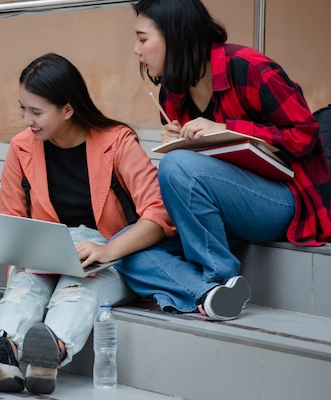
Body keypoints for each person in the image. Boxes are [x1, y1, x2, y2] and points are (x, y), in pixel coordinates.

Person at [0, 52, 177, 395]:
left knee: (78, 291)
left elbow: (158, 213)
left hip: (113, 252)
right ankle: (6, 353)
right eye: (22, 108)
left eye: (36, 111)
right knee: (22, 290)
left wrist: (107, 250)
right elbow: (12, 220)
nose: (26, 119)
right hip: (47, 253)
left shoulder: (118, 141)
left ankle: (51, 352)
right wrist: (23, 259)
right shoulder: (21, 148)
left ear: (68, 108)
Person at [124, 0, 331, 319]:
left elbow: (305, 134)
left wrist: (226, 129)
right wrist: (176, 142)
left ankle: (218, 277)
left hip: (282, 200)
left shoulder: (248, 67)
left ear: (176, 36)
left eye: (142, 38)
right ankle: (210, 295)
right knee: (125, 252)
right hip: (218, 209)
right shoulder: (173, 91)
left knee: (178, 167)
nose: (136, 50)